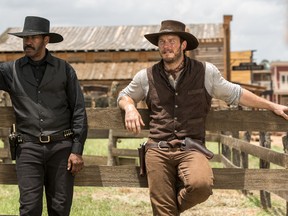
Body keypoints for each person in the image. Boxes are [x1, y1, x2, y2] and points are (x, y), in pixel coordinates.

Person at [117, 20, 288, 215]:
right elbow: (124, 95)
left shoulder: (205, 72)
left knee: (201, 186)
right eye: (162, 42)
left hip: (191, 147)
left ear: (183, 45)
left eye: (171, 41)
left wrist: (271, 105)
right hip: (157, 149)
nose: (166, 46)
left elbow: (236, 93)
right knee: (162, 204)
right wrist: (130, 107)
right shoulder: (145, 76)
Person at [0, 16, 88, 216]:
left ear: (46, 40)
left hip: (61, 149)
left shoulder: (64, 69)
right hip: (28, 147)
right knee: (29, 208)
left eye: (33, 38)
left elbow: (79, 110)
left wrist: (77, 149)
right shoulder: (10, 70)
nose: (27, 42)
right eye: (25, 38)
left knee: (60, 208)